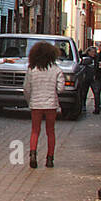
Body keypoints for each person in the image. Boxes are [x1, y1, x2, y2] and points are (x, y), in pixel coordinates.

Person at [25, 40, 62, 168]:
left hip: (36, 104)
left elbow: (27, 88)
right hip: (51, 104)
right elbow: (61, 88)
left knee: (35, 130)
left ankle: (33, 153)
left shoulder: (32, 69)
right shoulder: (56, 69)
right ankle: (50, 158)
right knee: (50, 131)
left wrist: (29, 100)